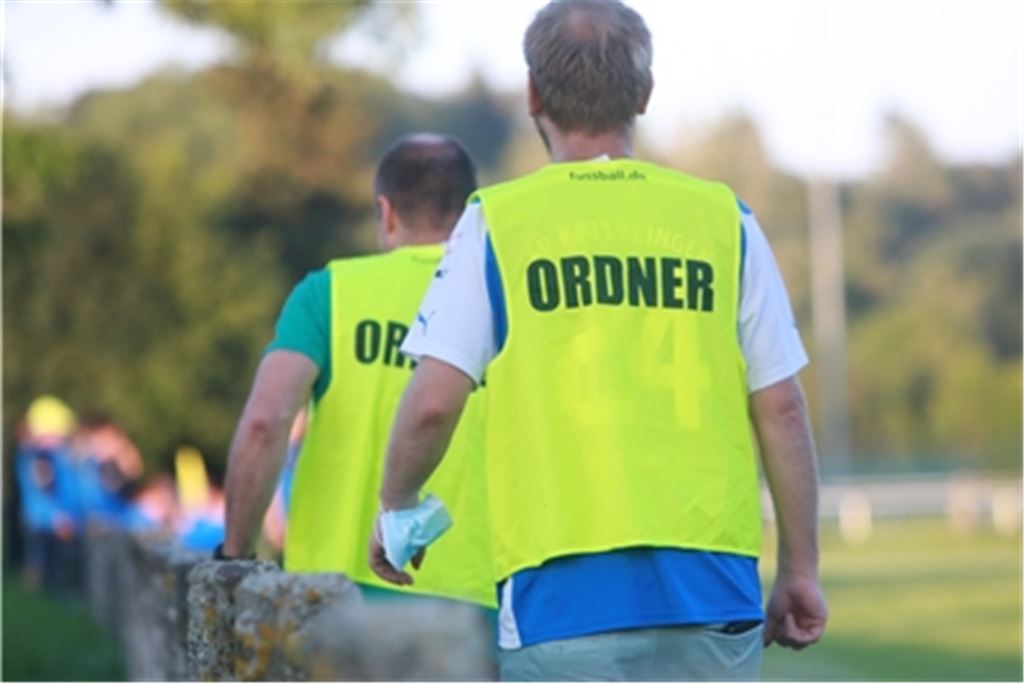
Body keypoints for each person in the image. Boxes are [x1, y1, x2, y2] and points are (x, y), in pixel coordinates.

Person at [370, 2, 828, 680]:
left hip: (561, 597)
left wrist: (397, 505)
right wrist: (799, 566)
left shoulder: (496, 223)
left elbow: (434, 402)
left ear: (532, 93)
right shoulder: (722, 219)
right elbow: (783, 408)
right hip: (712, 590)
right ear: (645, 93)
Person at [219, 134, 495, 608]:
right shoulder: (502, 299)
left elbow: (267, 422)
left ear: (386, 212)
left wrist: (232, 555)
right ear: (473, 216)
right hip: (474, 598)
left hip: (326, 599)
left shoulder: (328, 293)